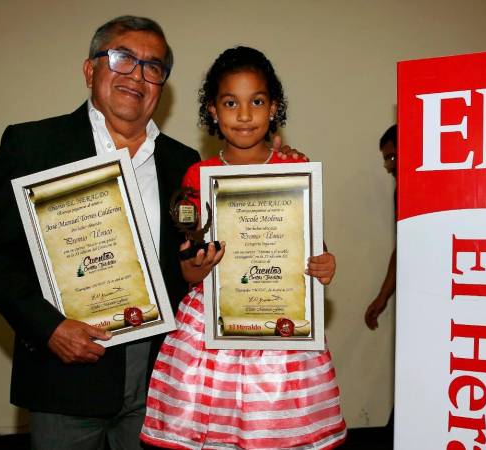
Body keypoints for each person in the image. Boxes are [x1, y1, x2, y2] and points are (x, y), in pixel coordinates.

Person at [0, 17, 303, 450]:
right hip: (65, 376)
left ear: (161, 86)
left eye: (153, 67)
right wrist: (48, 328)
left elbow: (211, 257)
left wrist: (281, 174)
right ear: (91, 70)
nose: (137, 75)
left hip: (162, 380)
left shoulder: (184, 165)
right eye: (122, 59)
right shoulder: (32, 146)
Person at [140, 46, 347, 450]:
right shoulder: (198, 175)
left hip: (279, 327)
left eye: (257, 101)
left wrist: (324, 263)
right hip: (211, 328)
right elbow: (188, 269)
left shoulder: (294, 168)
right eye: (231, 102)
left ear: (274, 108)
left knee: (275, 433)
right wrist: (199, 266)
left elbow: (312, 246)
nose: (245, 114)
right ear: (213, 111)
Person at [364, 124, 397, 330]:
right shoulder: (401, 194)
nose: (388, 166)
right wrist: (382, 297)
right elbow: (405, 248)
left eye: (392, 157)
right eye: (386, 160)